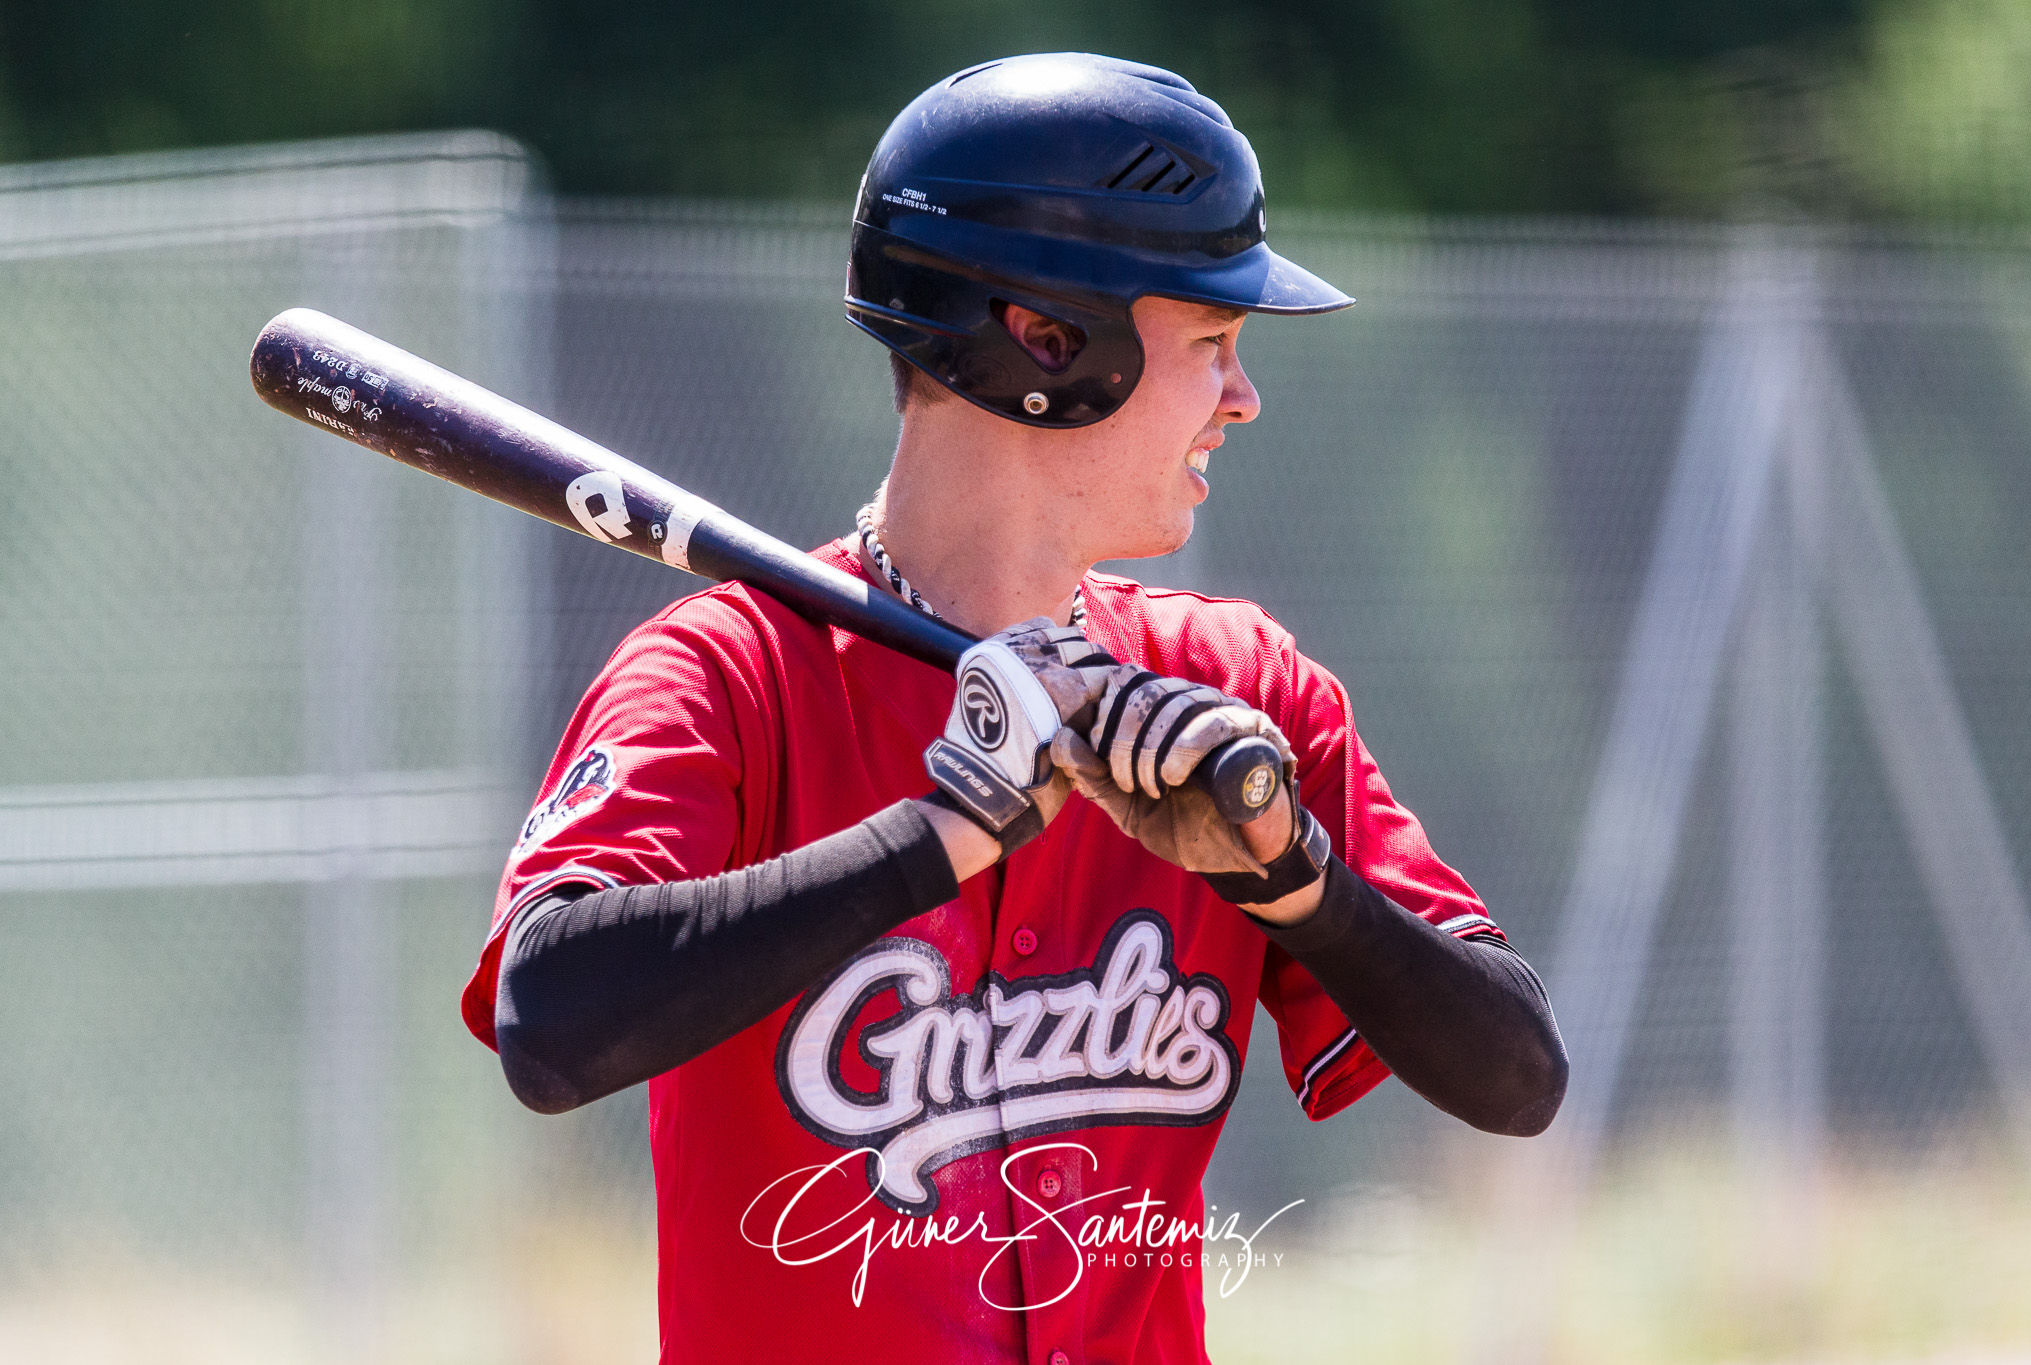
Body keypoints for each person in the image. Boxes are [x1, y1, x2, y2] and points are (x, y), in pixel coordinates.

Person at [461, 51, 1567, 1364]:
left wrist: (1292, 882)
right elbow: (552, 1019)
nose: (1242, 395)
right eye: (1211, 342)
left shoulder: (1233, 693)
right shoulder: (727, 676)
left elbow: (1518, 1075)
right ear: (1049, 340)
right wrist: (942, 833)